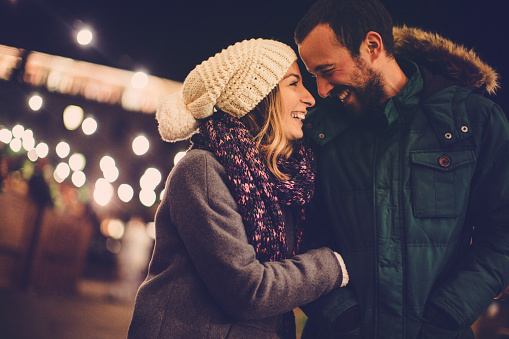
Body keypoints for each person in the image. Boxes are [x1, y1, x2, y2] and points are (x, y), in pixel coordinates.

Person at [293, 0, 509, 338]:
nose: (321, 89)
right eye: (313, 76)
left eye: (327, 70)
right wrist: (341, 315)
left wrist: (448, 313)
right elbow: (298, 233)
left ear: (372, 46)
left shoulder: (474, 121)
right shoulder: (317, 132)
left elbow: (502, 232)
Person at [127, 38, 349, 339]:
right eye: (294, 84)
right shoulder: (203, 171)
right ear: (257, 97)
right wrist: (334, 264)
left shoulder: (278, 182)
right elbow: (248, 291)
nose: (310, 98)